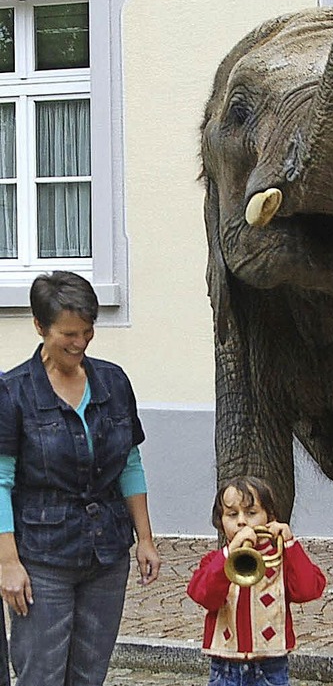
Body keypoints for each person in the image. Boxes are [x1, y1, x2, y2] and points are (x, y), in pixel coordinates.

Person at [0, 271, 161, 686]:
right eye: (68, 333)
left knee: (90, 675)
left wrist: (144, 538)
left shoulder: (113, 381)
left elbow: (129, 462)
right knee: (42, 675)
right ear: (39, 326)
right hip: (42, 558)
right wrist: (8, 562)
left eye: (88, 332)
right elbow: (0, 481)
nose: (80, 343)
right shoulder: (13, 393)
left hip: (106, 554)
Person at [187, 475, 326, 686]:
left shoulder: (280, 558)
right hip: (225, 668)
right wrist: (229, 553)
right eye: (232, 515)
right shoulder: (216, 560)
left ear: (269, 517)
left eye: (251, 513)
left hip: (270, 667)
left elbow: (309, 590)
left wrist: (290, 545)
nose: (241, 521)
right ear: (221, 521)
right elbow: (203, 595)